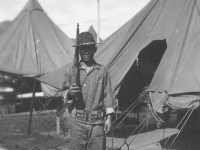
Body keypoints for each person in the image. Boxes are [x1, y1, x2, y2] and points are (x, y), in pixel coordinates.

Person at [62, 32, 114, 150]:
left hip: (97, 124)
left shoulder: (102, 71)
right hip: (77, 123)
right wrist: (70, 93)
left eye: (89, 48)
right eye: (82, 48)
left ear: (94, 49)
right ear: (78, 50)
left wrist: (109, 117)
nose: (86, 52)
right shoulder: (71, 71)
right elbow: (63, 92)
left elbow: (108, 95)